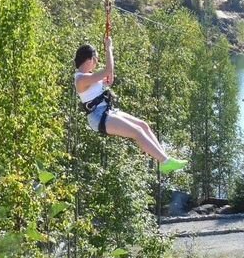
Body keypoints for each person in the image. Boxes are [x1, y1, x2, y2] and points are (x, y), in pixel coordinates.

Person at [74, 36, 187, 174]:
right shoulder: (81, 79)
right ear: (89, 59)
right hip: (98, 117)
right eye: (96, 59)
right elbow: (107, 70)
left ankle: (164, 160)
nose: (97, 63)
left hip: (106, 111)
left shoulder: (89, 76)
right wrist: (109, 48)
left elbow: (108, 78)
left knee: (143, 125)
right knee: (136, 132)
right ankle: (165, 161)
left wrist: (109, 76)